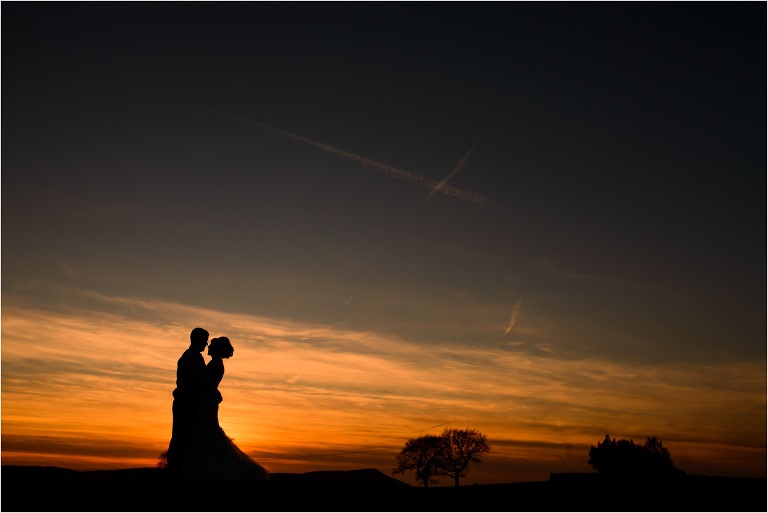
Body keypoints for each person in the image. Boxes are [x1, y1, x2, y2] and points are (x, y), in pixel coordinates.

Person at [180, 336, 270, 480]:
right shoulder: (214, 363)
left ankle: (211, 470)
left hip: (207, 402)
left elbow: (205, 382)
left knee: (206, 431)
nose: (208, 347)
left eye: (211, 346)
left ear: (215, 350)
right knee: (206, 431)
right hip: (206, 400)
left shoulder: (216, 364)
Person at [166, 327, 220, 474]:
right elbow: (201, 378)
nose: (206, 343)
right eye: (204, 339)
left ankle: (179, 469)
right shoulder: (192, 357)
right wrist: (215, 392)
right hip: (186, 402)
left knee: (185, 435)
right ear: (196, 339)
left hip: (187, 400)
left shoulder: (193, 356)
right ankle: (175, 469)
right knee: (182, 435)